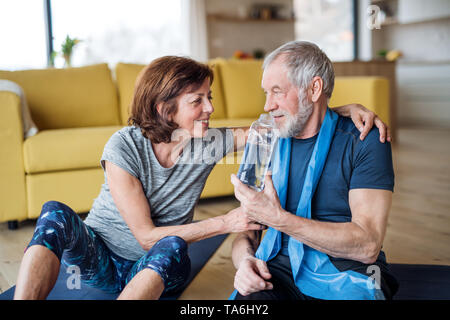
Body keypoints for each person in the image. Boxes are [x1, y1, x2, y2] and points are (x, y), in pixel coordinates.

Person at [14, 55, 390, 300]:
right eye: (198, 100)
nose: (211, 108)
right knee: (54, 213)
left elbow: (278, 125)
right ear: (165, 109)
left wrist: (339, 108)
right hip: (101, 258)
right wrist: (227, 222)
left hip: (159, 268)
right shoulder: (124, 146)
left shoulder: (205, 144)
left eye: (209, 96)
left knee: (172, 245)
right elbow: (144, 235)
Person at [230, 41, 398, 300]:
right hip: (275, 267)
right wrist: (245, 262)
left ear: (314, 88)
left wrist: (279, 219)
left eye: (277, 91)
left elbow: (367, 246)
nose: (267, 105)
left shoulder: (365, 139)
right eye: (266, 92)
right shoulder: (263, 140)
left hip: (348, 271)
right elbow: (246, 231)